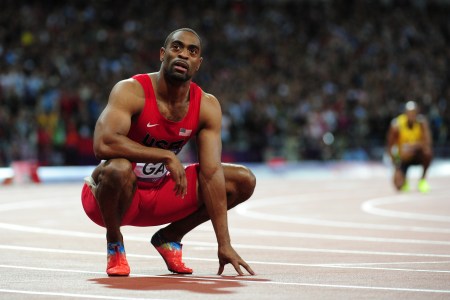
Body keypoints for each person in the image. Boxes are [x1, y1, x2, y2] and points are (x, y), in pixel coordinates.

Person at [81, 28, 256, 277]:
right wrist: (165, 155)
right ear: (163, 54)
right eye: (177, 47)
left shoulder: (207, 105)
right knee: (118, 167)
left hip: (159, 193)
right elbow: (103, 145)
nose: (184, 54)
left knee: (242, 180)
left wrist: (224, 243)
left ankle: (170, 237)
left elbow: (211, 173)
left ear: (198, 64)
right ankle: (114, 242)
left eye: (192, 51)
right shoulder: (131, 90)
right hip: (112, 198)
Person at [386, 100, 433, 192]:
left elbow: (428, 142)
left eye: (414, 113)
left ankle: (422, 180)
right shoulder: (396, 125)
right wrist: (396, 168)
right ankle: (404, 178)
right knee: (398, 186)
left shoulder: (421, 123)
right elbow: (390, 147)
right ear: (405, 114)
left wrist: (412, 147)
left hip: (417, 155)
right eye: (409, 113)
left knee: (427, 153)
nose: (412, 115)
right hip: (403, 158)